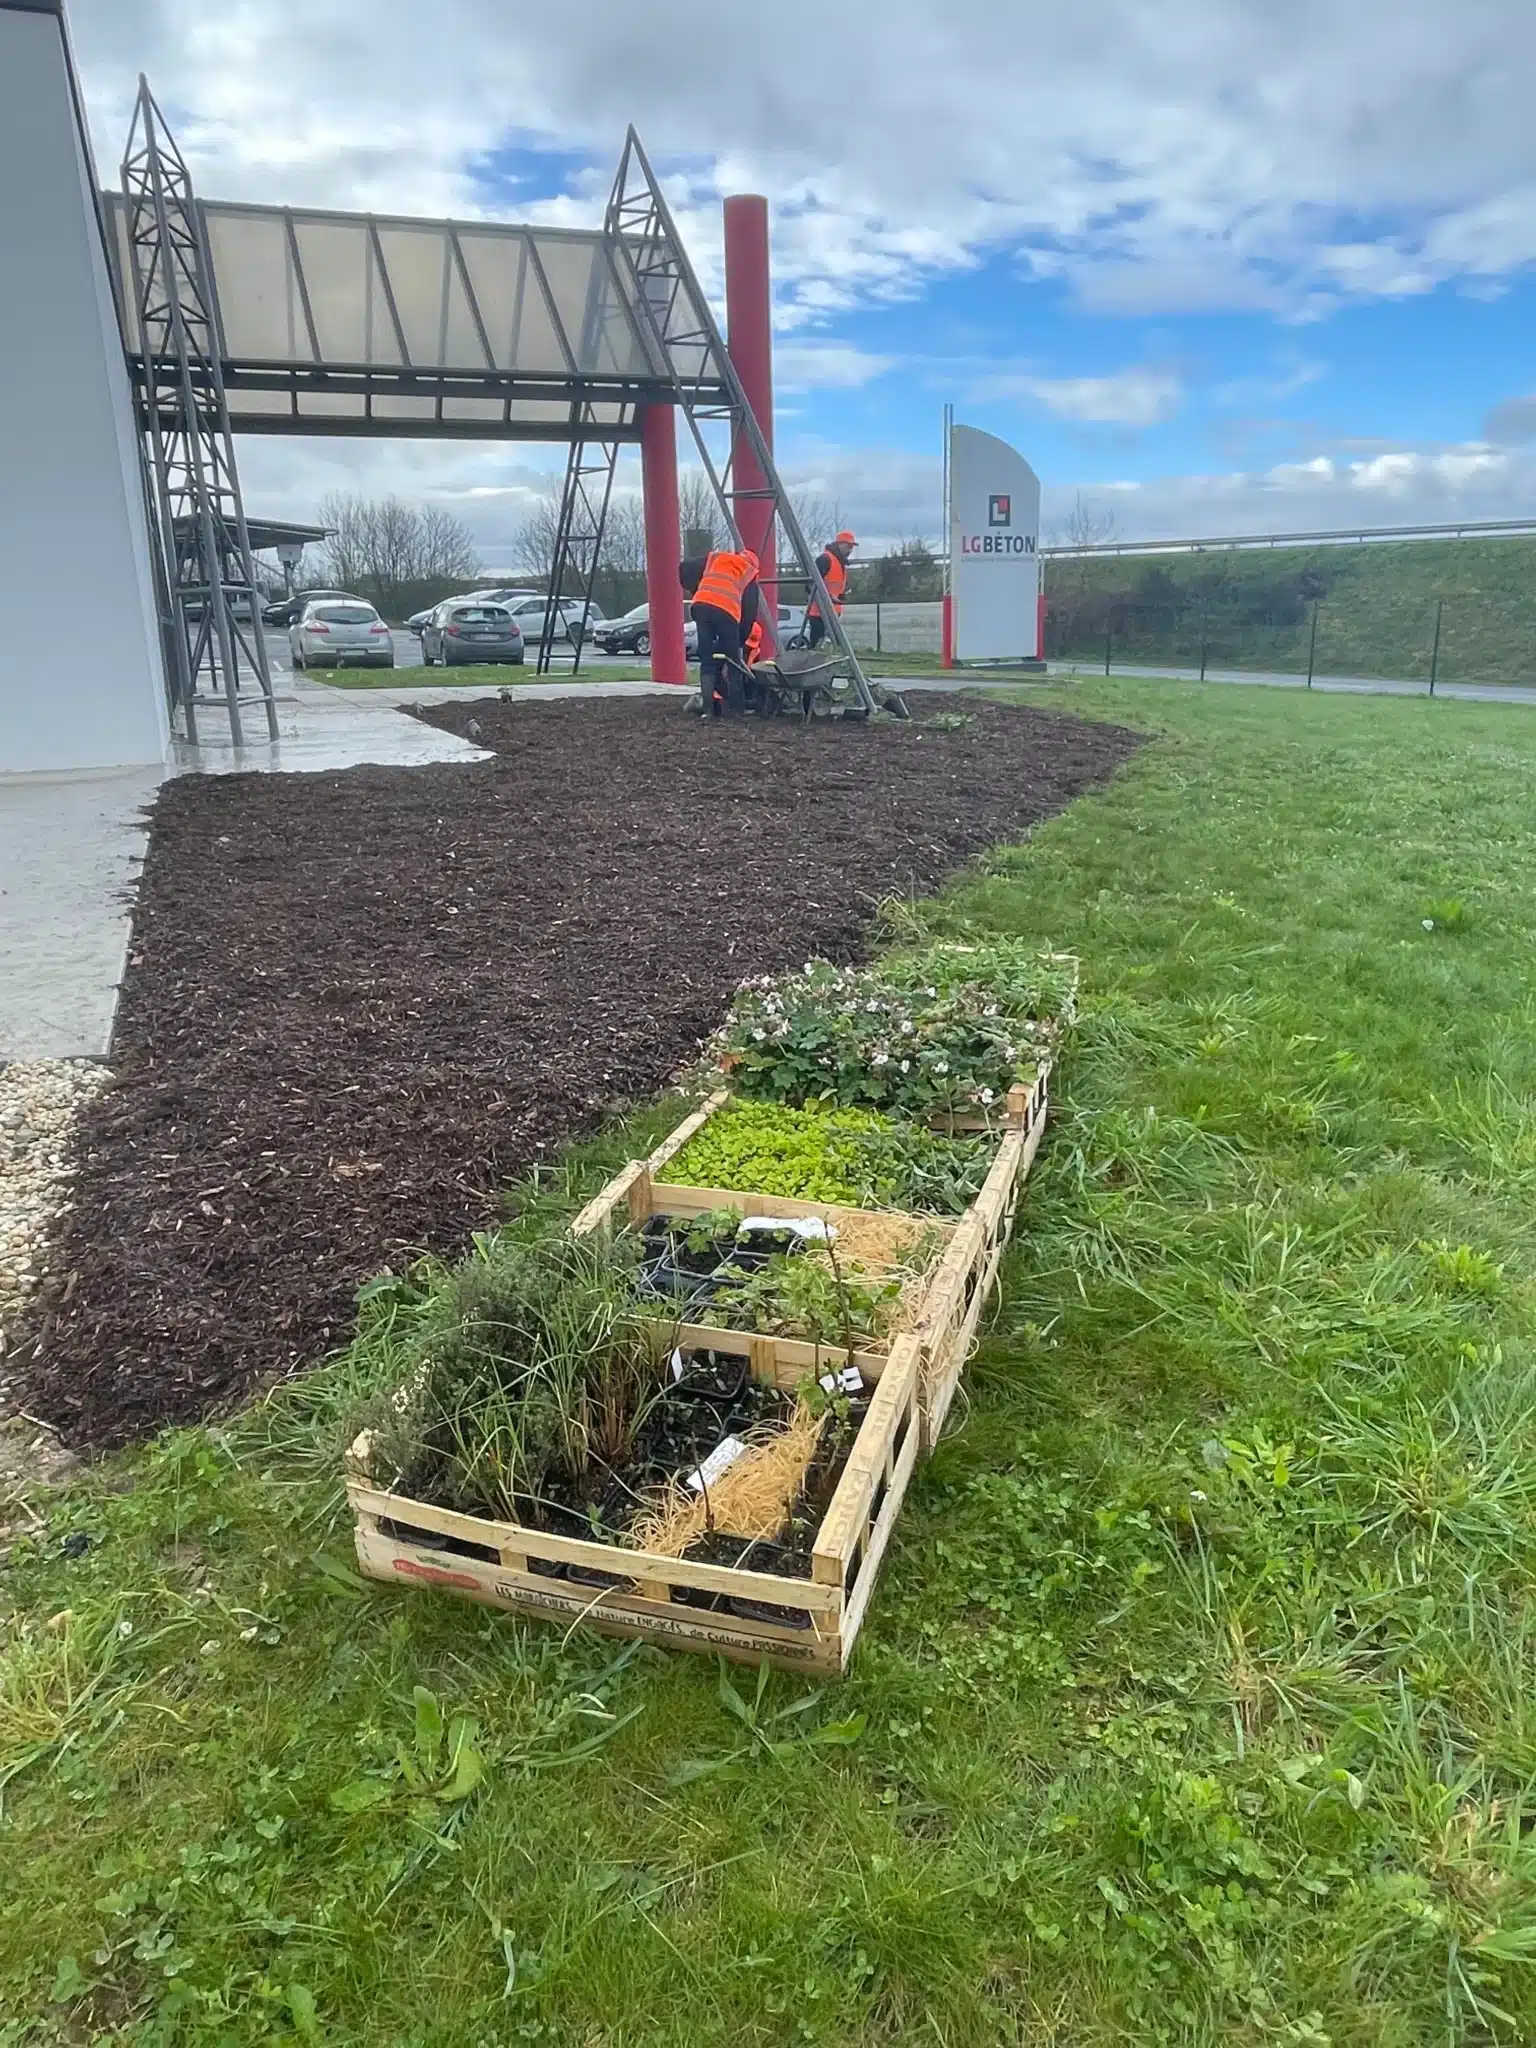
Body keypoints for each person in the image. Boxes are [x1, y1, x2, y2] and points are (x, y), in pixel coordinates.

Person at [680, 546, 761, 715]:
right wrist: (740, 639)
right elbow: (749, 613)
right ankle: (737, 710)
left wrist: (692, 588)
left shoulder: (717, 558)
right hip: (726, 610)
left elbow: (687, 566)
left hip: (700, 606)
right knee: (733, 662)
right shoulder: (749, 573)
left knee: (707, 660)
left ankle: (708, 711)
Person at [805, 530, 856, 649]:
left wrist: (842, 596)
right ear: (839, 544)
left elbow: (835, 588)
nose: (850, 550)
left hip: (833, 613)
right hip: (819, 615)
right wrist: (828, 597)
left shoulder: (840, 564)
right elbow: (809, 586)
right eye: (848, 546)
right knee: (818, 649)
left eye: (851, 547)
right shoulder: (825, 559)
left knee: (831, 649)